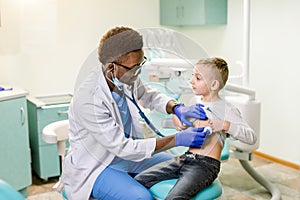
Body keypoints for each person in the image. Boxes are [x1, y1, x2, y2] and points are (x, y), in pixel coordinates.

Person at [61, 26, 210, 200]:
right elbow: (124, 147)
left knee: (182, 165)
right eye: (134, 68)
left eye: (141, 64)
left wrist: (176, 107)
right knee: (141, 197)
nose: (138, 72)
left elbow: (149, 95)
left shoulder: (125, 76)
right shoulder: (89, 100)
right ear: (111, 67)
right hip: (98, 165)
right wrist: (177, 139)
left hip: (127, 155)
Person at [134, 57, 257, 200]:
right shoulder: (195, 102)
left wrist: (225, 125)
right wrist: (178, 118)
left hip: (205, 165)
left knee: (175, 197)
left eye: (197, 78)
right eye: (192, 76)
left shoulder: (227, 109)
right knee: (139, 181)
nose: (191, 81)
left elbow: (251, 137)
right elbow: (185, 125)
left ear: (214, 84)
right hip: (185, 158)